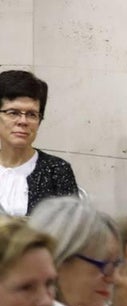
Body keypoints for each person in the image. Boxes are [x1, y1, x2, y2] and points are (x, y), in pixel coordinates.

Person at [0, 70, 78, 216]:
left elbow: (71, 230)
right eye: (13, 113)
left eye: (31, 115)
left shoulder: (57, 170)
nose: (23, 121)